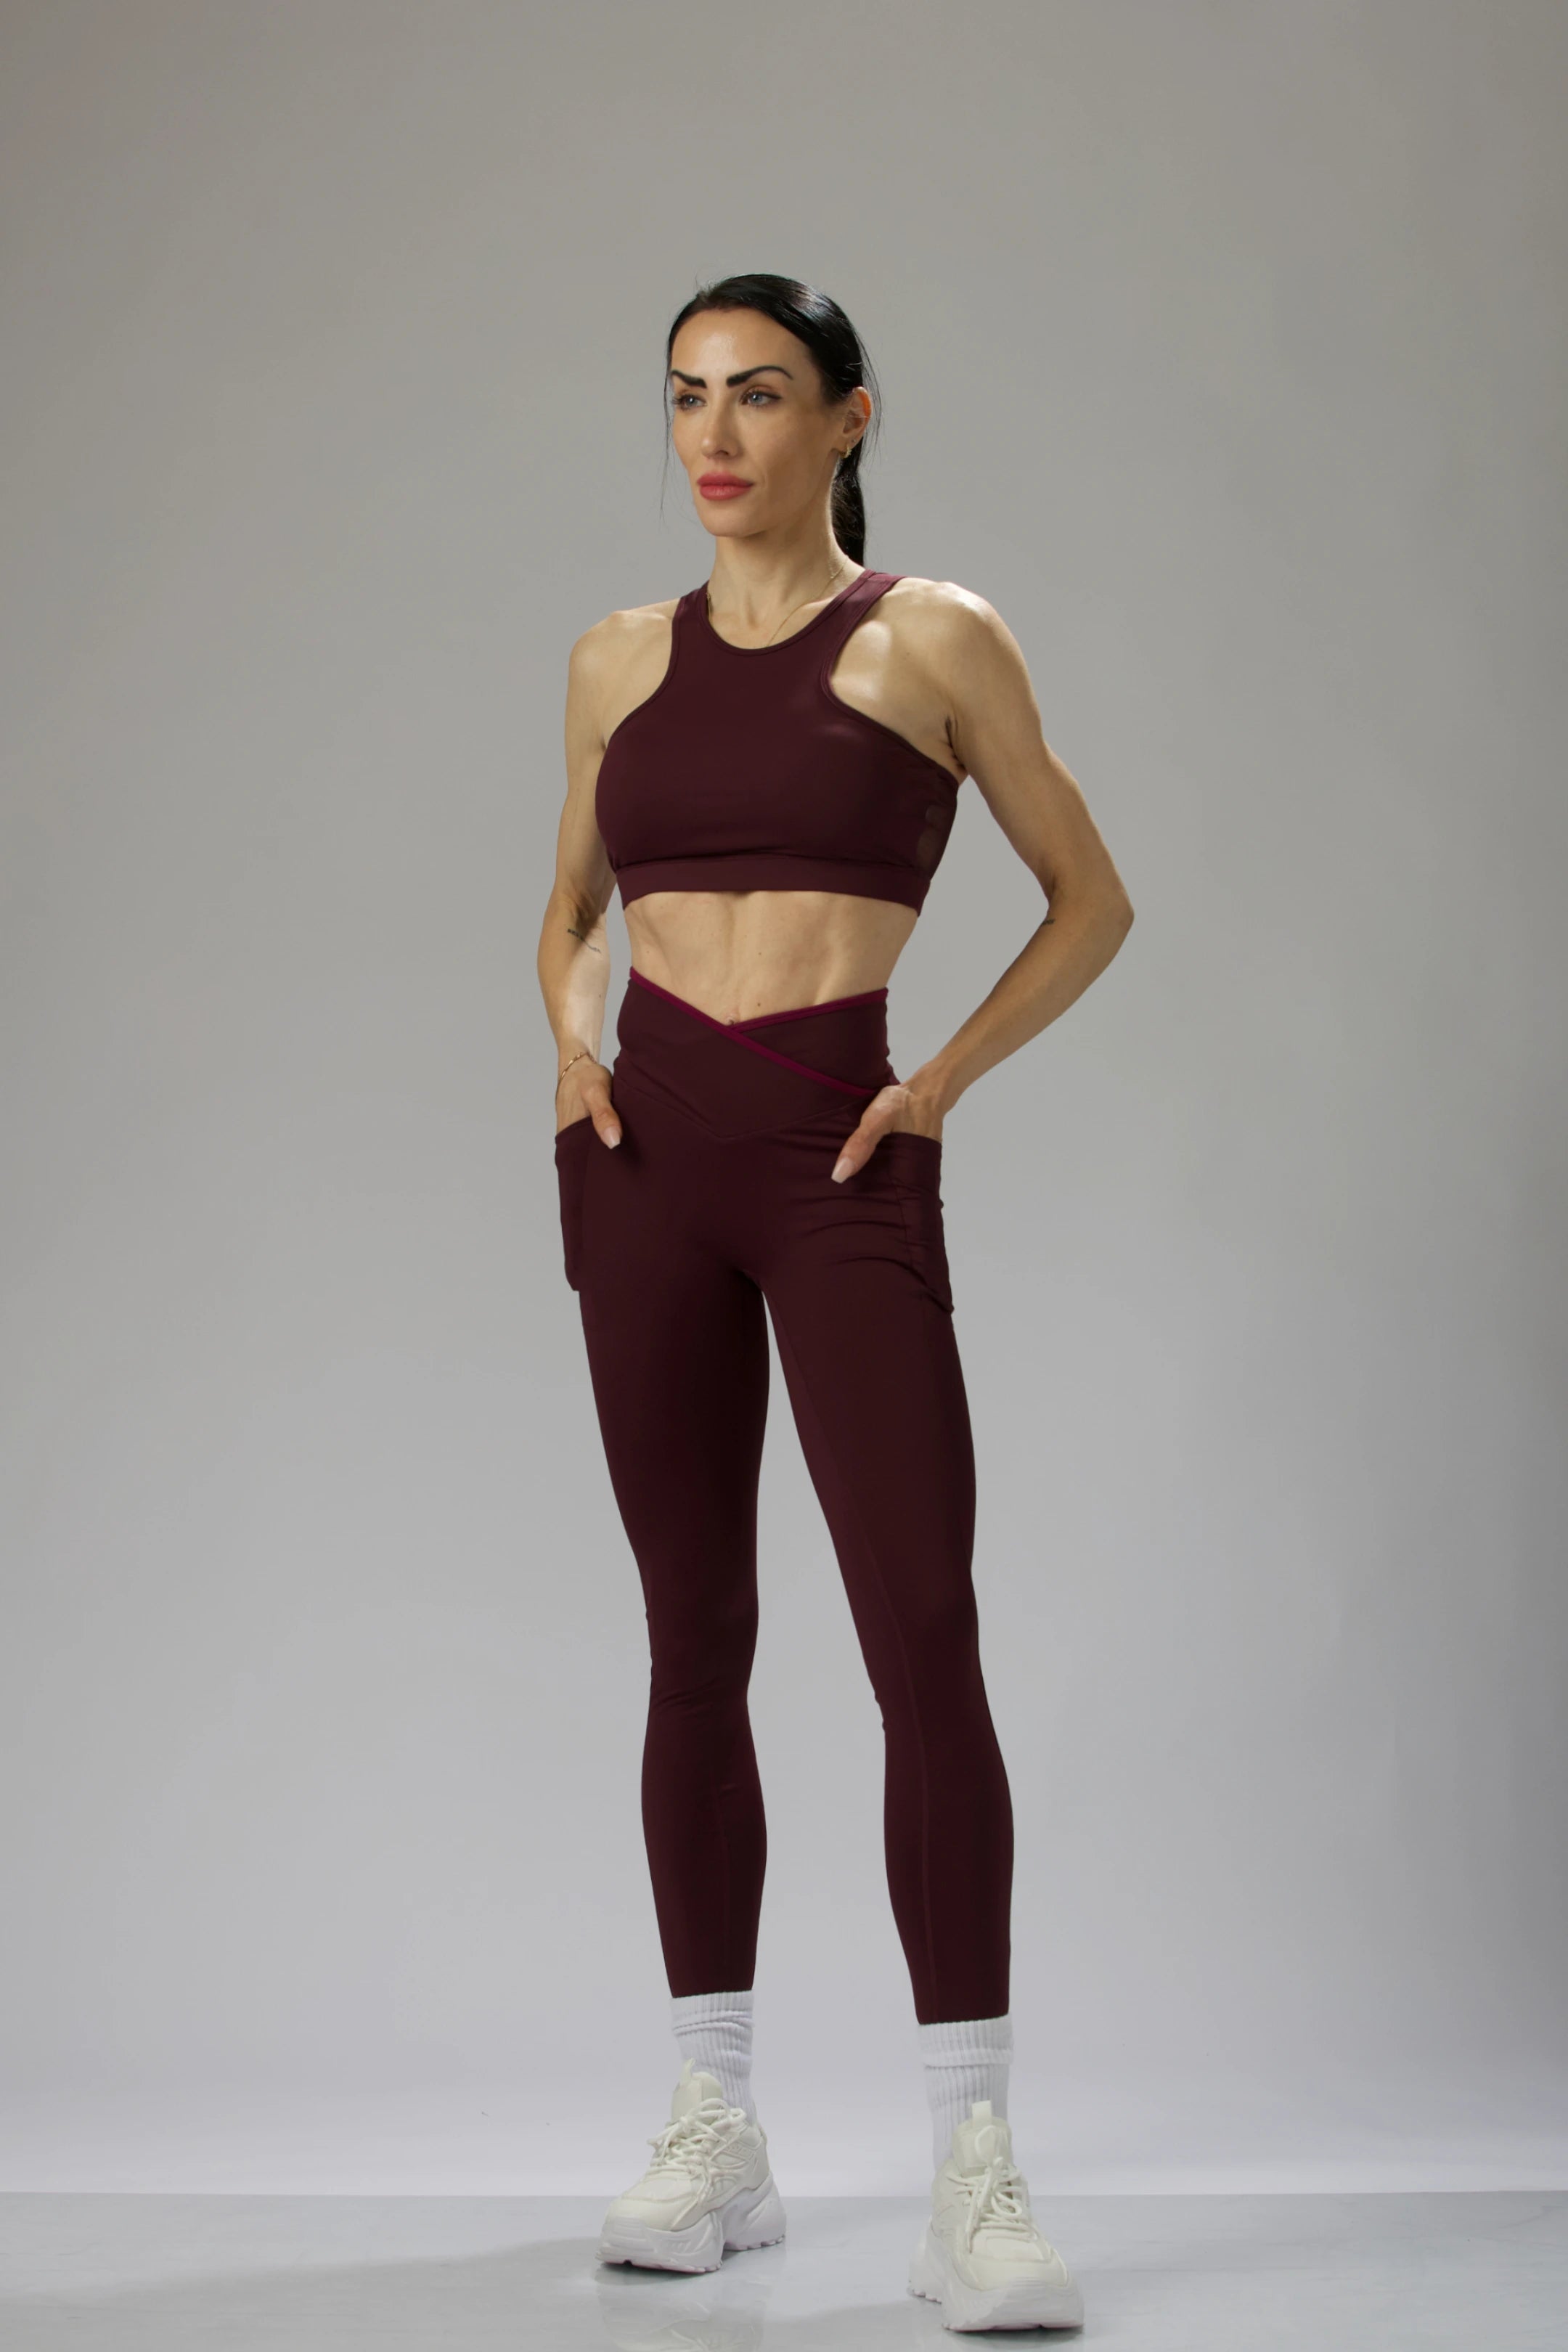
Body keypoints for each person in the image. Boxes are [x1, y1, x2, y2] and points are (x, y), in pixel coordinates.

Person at [538, 272, 1132, 2334]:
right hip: (643, 1170)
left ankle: (974, 2165)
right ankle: (718, 2127)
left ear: (848, 419)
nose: (715, 436)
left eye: (762, 395)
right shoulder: (617, 656)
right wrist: (571, 1045)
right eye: (687, 397)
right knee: (690, 1636)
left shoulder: (931, 638)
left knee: (919, 1638)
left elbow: (1093, 898)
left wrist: (939, 1080)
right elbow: (570, 906)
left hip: (836, 1157)